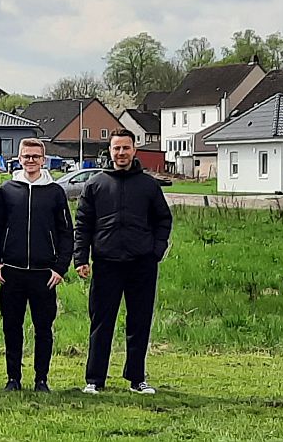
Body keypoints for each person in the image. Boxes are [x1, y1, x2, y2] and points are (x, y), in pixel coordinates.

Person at [75, 129, 173, 395]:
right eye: (116, 149)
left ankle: (136, 378)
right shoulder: (95, 184)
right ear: (110, 151)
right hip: (106, 263)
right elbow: (83, 224)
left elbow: (163, 220)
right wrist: (81, 258)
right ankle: (95, 379)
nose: (121, 153)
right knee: (101, 322)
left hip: (142, 264)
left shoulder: (149, 185)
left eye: (125, 148)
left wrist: (156, 250)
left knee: (139, 322)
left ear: (134, 150)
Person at [0, 138, 73, 393]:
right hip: (12, 273)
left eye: (35, 157)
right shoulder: (7, 190)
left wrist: (60, 268)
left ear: (43, 159)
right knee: (12, 328)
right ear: (19, 158)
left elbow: (66, 233)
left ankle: (41, 379)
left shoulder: (55, 192)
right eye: (26, 156)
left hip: (43, 275)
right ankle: (13, 378)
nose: (30, 161)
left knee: (43, 329)